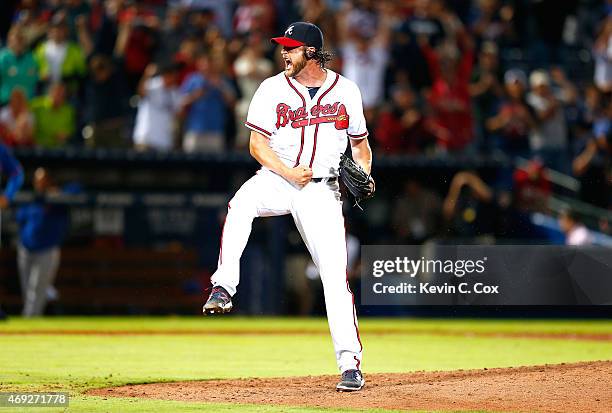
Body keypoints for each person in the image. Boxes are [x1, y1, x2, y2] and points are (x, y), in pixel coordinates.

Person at [203, 22, 370, 392]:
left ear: (311, 51)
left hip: (321, 191)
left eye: (291, 48)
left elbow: (360, 146)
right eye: (283, 47)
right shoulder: (271, 88)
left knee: (334, 280)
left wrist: (364, 173)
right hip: (277, 178)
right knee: (241, 204)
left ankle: (350, 365)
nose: (284, 53)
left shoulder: (346, 91)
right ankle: (223, 287)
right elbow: (256, 145)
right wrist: (287, 172)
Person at [16, 168, 74, 317]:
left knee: (38, 287)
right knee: (27, 287)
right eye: (38, 180)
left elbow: (76, 190)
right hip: (26, 248)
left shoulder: (58, 198)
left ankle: (31, 318)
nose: (40, 183)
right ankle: (30, 316)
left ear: (49, 181)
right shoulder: (30, 200)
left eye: (43, 180)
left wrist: (58, 194)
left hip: (47, 249)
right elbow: (20, 219)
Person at [132, 62, 181, 152]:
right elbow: (141, 92)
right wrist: (146, 75)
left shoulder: (175, 92)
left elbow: (178, 113)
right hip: (146, 139)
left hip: (164, 142)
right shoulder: (152, 85)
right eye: (171, 75)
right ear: (165, 75)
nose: (174, 78)